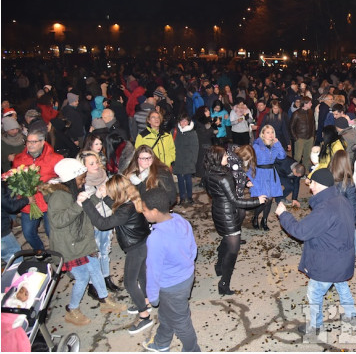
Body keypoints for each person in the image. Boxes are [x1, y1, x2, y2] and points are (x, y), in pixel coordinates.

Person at [275, 168, 356, 335]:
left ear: (319, 184)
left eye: (311, 183)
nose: (310, 186)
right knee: (341, 284)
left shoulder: (325, 209)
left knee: (314, 292)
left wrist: (284, 214)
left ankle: (315, 326)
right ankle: (351, 316)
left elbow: (301, 231)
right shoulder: (341, 200)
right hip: (343, 257)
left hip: (329, 261)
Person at [44, 158, 126, 326]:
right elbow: (58, 220)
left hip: (80, 241)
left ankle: (104, 300)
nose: (83, 180)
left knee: (95, 268)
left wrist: (96, 197)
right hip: (69, 246)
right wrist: (78, 205)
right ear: (71, 178)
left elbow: (83, 208)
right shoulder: (59, 196)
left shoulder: (71, 190)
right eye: (81, 177)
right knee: (82, 277)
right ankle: (72, 309)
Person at [79, 174, 153, 334]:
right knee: (142, 275)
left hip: (136, 249)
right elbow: (116, 206)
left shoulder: (125, 210)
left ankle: (144, 315)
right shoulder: (130, 200)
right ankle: (146, 301)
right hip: (142, 243)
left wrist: (86, 203)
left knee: (129, 282)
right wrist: (104, 197)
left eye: (110, 190)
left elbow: (102, 224)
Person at [140, 188, 200, 352]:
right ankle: (161, 342)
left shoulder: (156, 238)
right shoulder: (180, 220)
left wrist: (152, 297)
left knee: (181, 321)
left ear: (155, 211)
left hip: (171, 286)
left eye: (144, 210)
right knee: (167, 313)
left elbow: (153, 271)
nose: (142, 212)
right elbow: (193, 249)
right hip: (187, 277)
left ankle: (192, 349)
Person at [203, 146, 266, 295]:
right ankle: (224, 284)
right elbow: (235, 201)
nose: (227, 158)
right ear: (218, 159)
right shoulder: (225, 177)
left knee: (226, 239)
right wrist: (257, 201)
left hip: (217, 211)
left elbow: (211, 192)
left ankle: (218, 266)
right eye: (225, 156)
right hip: (228, 215)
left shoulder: (208, 173)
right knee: (233, 250)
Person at [12, 126, 63, 251]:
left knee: (51, 232)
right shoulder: (19, 159)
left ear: (42, 142)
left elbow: (63, 180)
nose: (30, 145)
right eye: (28, 141)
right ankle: (41, 251)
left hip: (48, 202)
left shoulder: (56, 159)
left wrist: (51, 184)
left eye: (33, 142)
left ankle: (59, 255)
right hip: (29, 202)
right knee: (28, 233)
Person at [78, 150, 120, 299]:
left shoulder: (104, 176)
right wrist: (97, 196)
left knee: (105, 250)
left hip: (107, 218)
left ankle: (106, 277)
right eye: (91, 164)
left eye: (96, 162)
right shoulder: (81, 182)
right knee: (92, 254)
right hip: (92, 223)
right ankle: (92, 284)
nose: (96, 165)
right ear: (83, 167)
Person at [249, 125, 286, 230]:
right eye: (268, 132)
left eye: (272, 132)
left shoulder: (275, 145)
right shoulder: (257, 146)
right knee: (263, 199)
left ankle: (264, 220)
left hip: (271, 173)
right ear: (263, 134)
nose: (271, 135)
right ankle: (255, 216)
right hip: (260, 174)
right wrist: (249, 179)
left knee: (270, 199)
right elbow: (250, 162)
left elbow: (282, 156)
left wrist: (278, 143)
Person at [328, 149, 356, 250]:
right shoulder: (348, 183)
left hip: (329, 217)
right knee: (355, 245)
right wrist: (354, 220)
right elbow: (353, 205)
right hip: (344, 219)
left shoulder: (327, 178)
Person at [172, 113, 199, 206]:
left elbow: (195, 148)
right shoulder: (175, 131)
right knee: (180, 179)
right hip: (178, 159)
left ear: (188, 122)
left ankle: (190, 197)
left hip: (189, 160)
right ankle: (182, 197)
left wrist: (193, 161)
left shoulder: (192, 133)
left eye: (185, 121)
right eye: (182, 120)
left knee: (188, 179)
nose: (183, 122)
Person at [2, 182, 29, 264]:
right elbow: (10, 206)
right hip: (2, 231)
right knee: (15, 256)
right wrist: (27, 199)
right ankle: (19, 275)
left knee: (5, 256)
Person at [290, 97, 315, 171]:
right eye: (310, 103)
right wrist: (296, 138)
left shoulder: (310, 112)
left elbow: (313, 124)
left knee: (307, 156)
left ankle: (305, 171)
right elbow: (291, 127)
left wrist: (313, 136)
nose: (311, 104)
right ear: (305, 104)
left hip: (309, 138)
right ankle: (295, 172)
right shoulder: (296, 114)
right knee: (297, 157)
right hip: (300, 138)